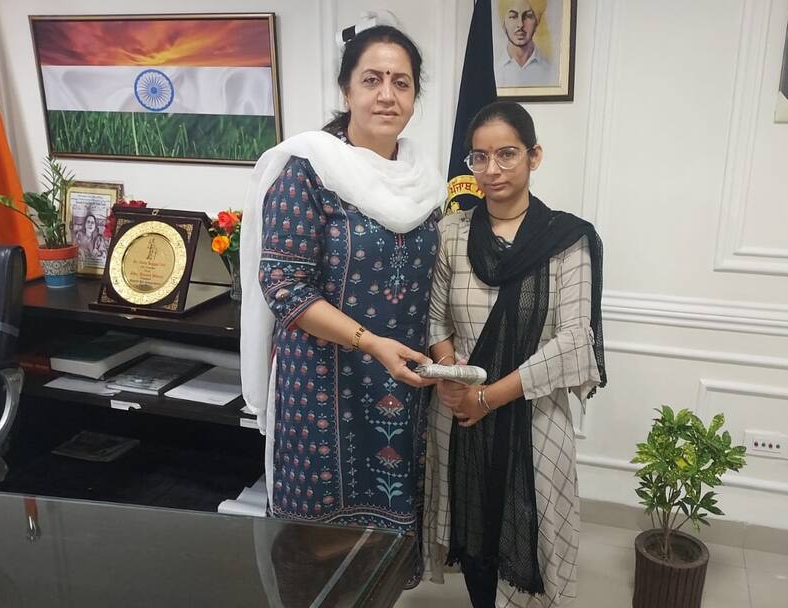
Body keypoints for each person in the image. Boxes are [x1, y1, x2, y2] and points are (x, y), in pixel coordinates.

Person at [239, 22, 444, 585]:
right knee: (313, 552)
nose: (387, 95)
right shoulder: (306, 169)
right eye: (372, 79)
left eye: (401, 82)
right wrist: (370, 342)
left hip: (399, 387)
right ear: (346, 90)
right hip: (320, 387)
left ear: (415, 96)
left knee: (383, 548)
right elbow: (285, 286)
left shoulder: (423, 181)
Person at [423, 101, 606, 607]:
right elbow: (435, 319)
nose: (492, 169)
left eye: (506, 154)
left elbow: (574, 340)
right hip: (459, 414)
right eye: (479, 157)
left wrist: (488, 397)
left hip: (532, 414)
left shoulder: (566, 239)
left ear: (534, 156)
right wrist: (452, 377)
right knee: (473, 533)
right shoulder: (452, 232)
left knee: (531, 529)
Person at [495, 0, 555, 87]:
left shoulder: (550, 70)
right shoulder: (495, 68)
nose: (520, 24)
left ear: (537, 22)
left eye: (528, 16)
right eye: (513, 16)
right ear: (503, 22)